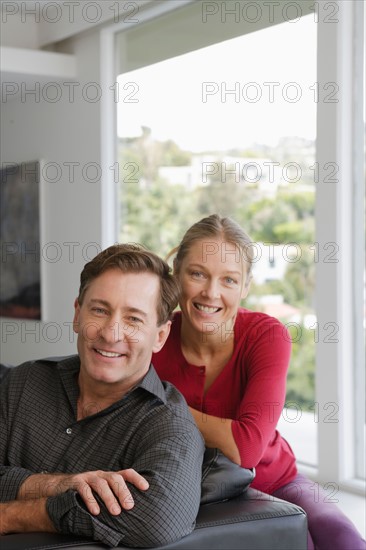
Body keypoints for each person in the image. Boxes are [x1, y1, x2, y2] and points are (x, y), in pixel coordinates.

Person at [152, 214, 366, 550]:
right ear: (176, 274)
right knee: (301, 544)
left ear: (246, 286)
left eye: (229, 280)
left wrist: (165, 403)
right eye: (197, 274)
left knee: (345, 539)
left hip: (276, 476)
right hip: (195, 493)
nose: (211, 293)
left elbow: (248, 448)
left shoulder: (267, 335)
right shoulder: (155, 339)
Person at [0, 244, 204, 548]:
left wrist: (11, 516)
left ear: (160, 336)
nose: (110, 334)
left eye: (134, 319)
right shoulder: (24, 381)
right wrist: (59, 485)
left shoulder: (169, 427)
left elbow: (159, 518)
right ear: (77, 314)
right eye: (100, 310)